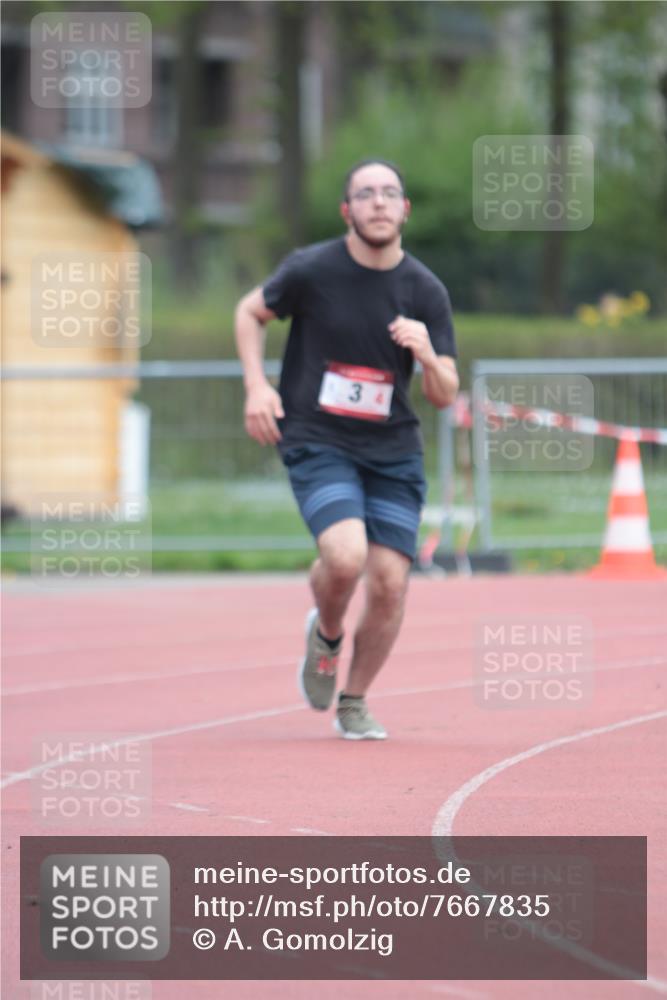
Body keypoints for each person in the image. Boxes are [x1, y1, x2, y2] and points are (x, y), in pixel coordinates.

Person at [234, 158, 458, 740]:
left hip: (393, 451)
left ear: (405, 209)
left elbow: (444, 394)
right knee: (345, 557)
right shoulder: (311, 270)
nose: (379, 203)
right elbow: (249, 311)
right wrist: (257, 386)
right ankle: (328, 634)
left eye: (390, 193)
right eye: (365, 194)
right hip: (318, 438)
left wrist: (428, 355)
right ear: (347, 210)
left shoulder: (424, 290)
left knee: (388, 582)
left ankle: (354, 701)